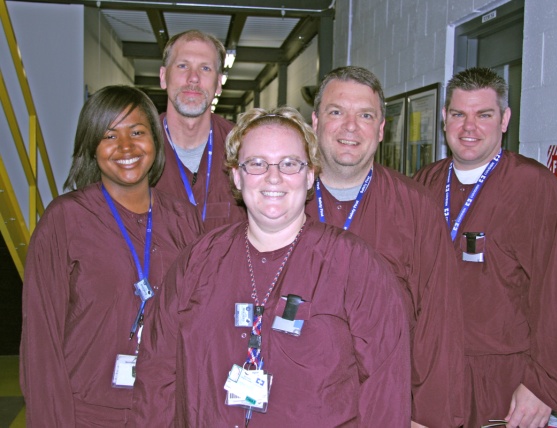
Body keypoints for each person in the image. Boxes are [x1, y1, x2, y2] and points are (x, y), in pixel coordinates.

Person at [132, 106, 411, 427]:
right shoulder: (199, 261)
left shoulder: (354, 265)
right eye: (257, 163)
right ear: (237, 175)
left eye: (290, 164)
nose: (273, 177)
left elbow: (386, 388)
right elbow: (156, 372)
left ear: (310, 175)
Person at [19, 85, 203, 427]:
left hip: (165, 412)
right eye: (109, 135)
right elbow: (40, 340)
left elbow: (201, 327)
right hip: (86, 413)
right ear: (92, 146)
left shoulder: (185, 220)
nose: (126, 147)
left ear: (155, 140)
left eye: (137, 132)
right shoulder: (65, 220)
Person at [414, 67, 557, 428]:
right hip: (432, 373)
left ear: (504, 120)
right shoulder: (422, 185)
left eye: (483, 115)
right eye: (459, 114)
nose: (469, 127)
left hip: (504, 380)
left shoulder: (533, 186)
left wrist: (542, 385)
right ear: (444, 119)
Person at [306, 66, 464, 427]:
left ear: (381, 129)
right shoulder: (281, 200)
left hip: (387, 407)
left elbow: (439, 320)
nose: (350, 126)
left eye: (365, 115)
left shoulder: (416, 208)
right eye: (336, 112)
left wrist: (426, 416)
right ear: (315, 121)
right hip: (299, 402)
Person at [155, 29, 247, 232]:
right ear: (163, 76)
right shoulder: (137, 147)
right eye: (182, 66)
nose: (193, 78)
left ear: (219, 83)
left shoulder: (245, 147)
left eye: (205, 68)